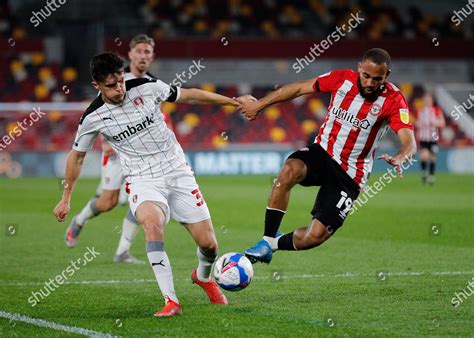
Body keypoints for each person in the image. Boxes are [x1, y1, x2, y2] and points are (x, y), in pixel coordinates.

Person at [54, 52, 242, 317]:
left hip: (177, 171)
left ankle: (203, 277)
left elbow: (188, 95)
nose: (119, 88)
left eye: (120, 80)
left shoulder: (146, 86)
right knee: (152, 225)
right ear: (96, 85)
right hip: (143, 179)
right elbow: (77, 156)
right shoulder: (92, 117)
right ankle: (171, 301)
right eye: (111, 85)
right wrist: (66, 196)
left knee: (209, 245)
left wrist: (233, 102)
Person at [237, 48, 416, 263]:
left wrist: (400, 156)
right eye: (366, 76)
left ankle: (273, 245)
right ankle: (266, 238)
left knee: (315, 236)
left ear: (386, 76)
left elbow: (410, 141)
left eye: (376, 79)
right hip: (322, 153)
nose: (369, 83)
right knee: (289, 170)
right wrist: (260, 105)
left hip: (350, 173)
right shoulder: (341, 79)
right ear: (359, 68)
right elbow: (299, 88)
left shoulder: (394, 100)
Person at [64, 34, 173, 265]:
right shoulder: (116, 78)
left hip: (145, 157)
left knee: (145, 198)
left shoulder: (152, 83)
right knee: (107, 202)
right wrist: (105, 142)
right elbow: (100, 112)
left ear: (152, 56)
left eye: (147, 52)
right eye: (139, 51)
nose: (143, 56)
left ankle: (122, 251)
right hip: (116, 153)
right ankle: (80, 220)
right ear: (130, 54)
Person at [414, 92, 445, 185]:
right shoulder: (420, 111)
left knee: (432, 157)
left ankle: (431, 176)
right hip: (423, 137)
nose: (427, 101)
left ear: (431, 101)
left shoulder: (436, 110)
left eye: (428, 99)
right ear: (423, 101)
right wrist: (418, 124)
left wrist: (435, 122)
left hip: (433, 137)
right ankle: (424, 172)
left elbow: (442, 122)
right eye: (425, 100)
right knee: (423, 156)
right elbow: (415, 122)